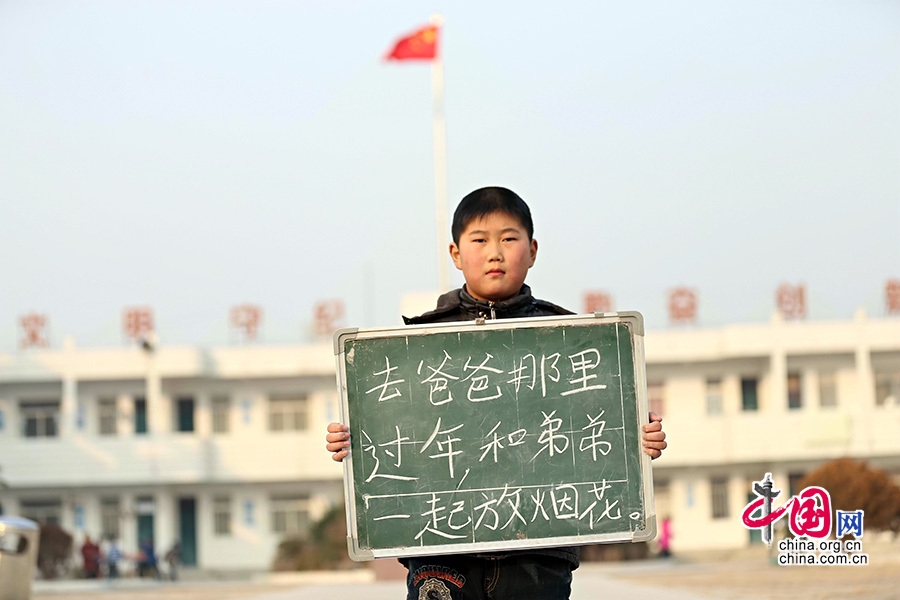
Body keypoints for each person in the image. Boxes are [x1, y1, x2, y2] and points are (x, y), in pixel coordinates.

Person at [325, 186, 668, 600]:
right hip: (441, 555)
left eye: (509, 238)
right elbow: (385, 436)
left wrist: (639, 436)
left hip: (538, 558)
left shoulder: (573, 339)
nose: (495, 252)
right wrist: (351, 439)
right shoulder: (416, 342)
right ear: (455, 254)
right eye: (479, 240)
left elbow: (606, 429)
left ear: (533, 250)